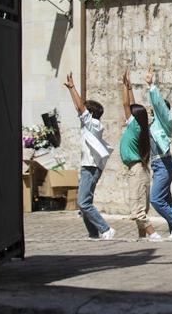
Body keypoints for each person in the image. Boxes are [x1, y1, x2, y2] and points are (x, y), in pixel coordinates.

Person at [64, 72, 115, 240]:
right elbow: (79, 108)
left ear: (90, 113)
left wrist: (73, 88)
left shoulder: (93, 124)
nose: (80, 112)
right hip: (88, 167)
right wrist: (72, 91)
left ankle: (106, 229)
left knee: (83, 202)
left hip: (91, 167)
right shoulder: (90, 124)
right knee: (85, 202)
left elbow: (81, 108)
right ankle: (93, 233)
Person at [144, 63, 172, 239]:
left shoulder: (164, 121)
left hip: (164, 163)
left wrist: (151, 86)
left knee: (156, 199)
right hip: (158, 164)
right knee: (166, 198)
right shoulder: (153, 125)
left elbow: (159, 107)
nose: (152, 111)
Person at [119, 69, 161, 241]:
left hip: (136, 170)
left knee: (136, 209)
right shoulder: (141, 126)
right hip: (141, 170)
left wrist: (124, 86)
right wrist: (129, 87)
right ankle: (142, 237)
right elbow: (132, 106)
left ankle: (153, 234)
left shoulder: (134, 127)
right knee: (141, 206)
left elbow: (126, 105)